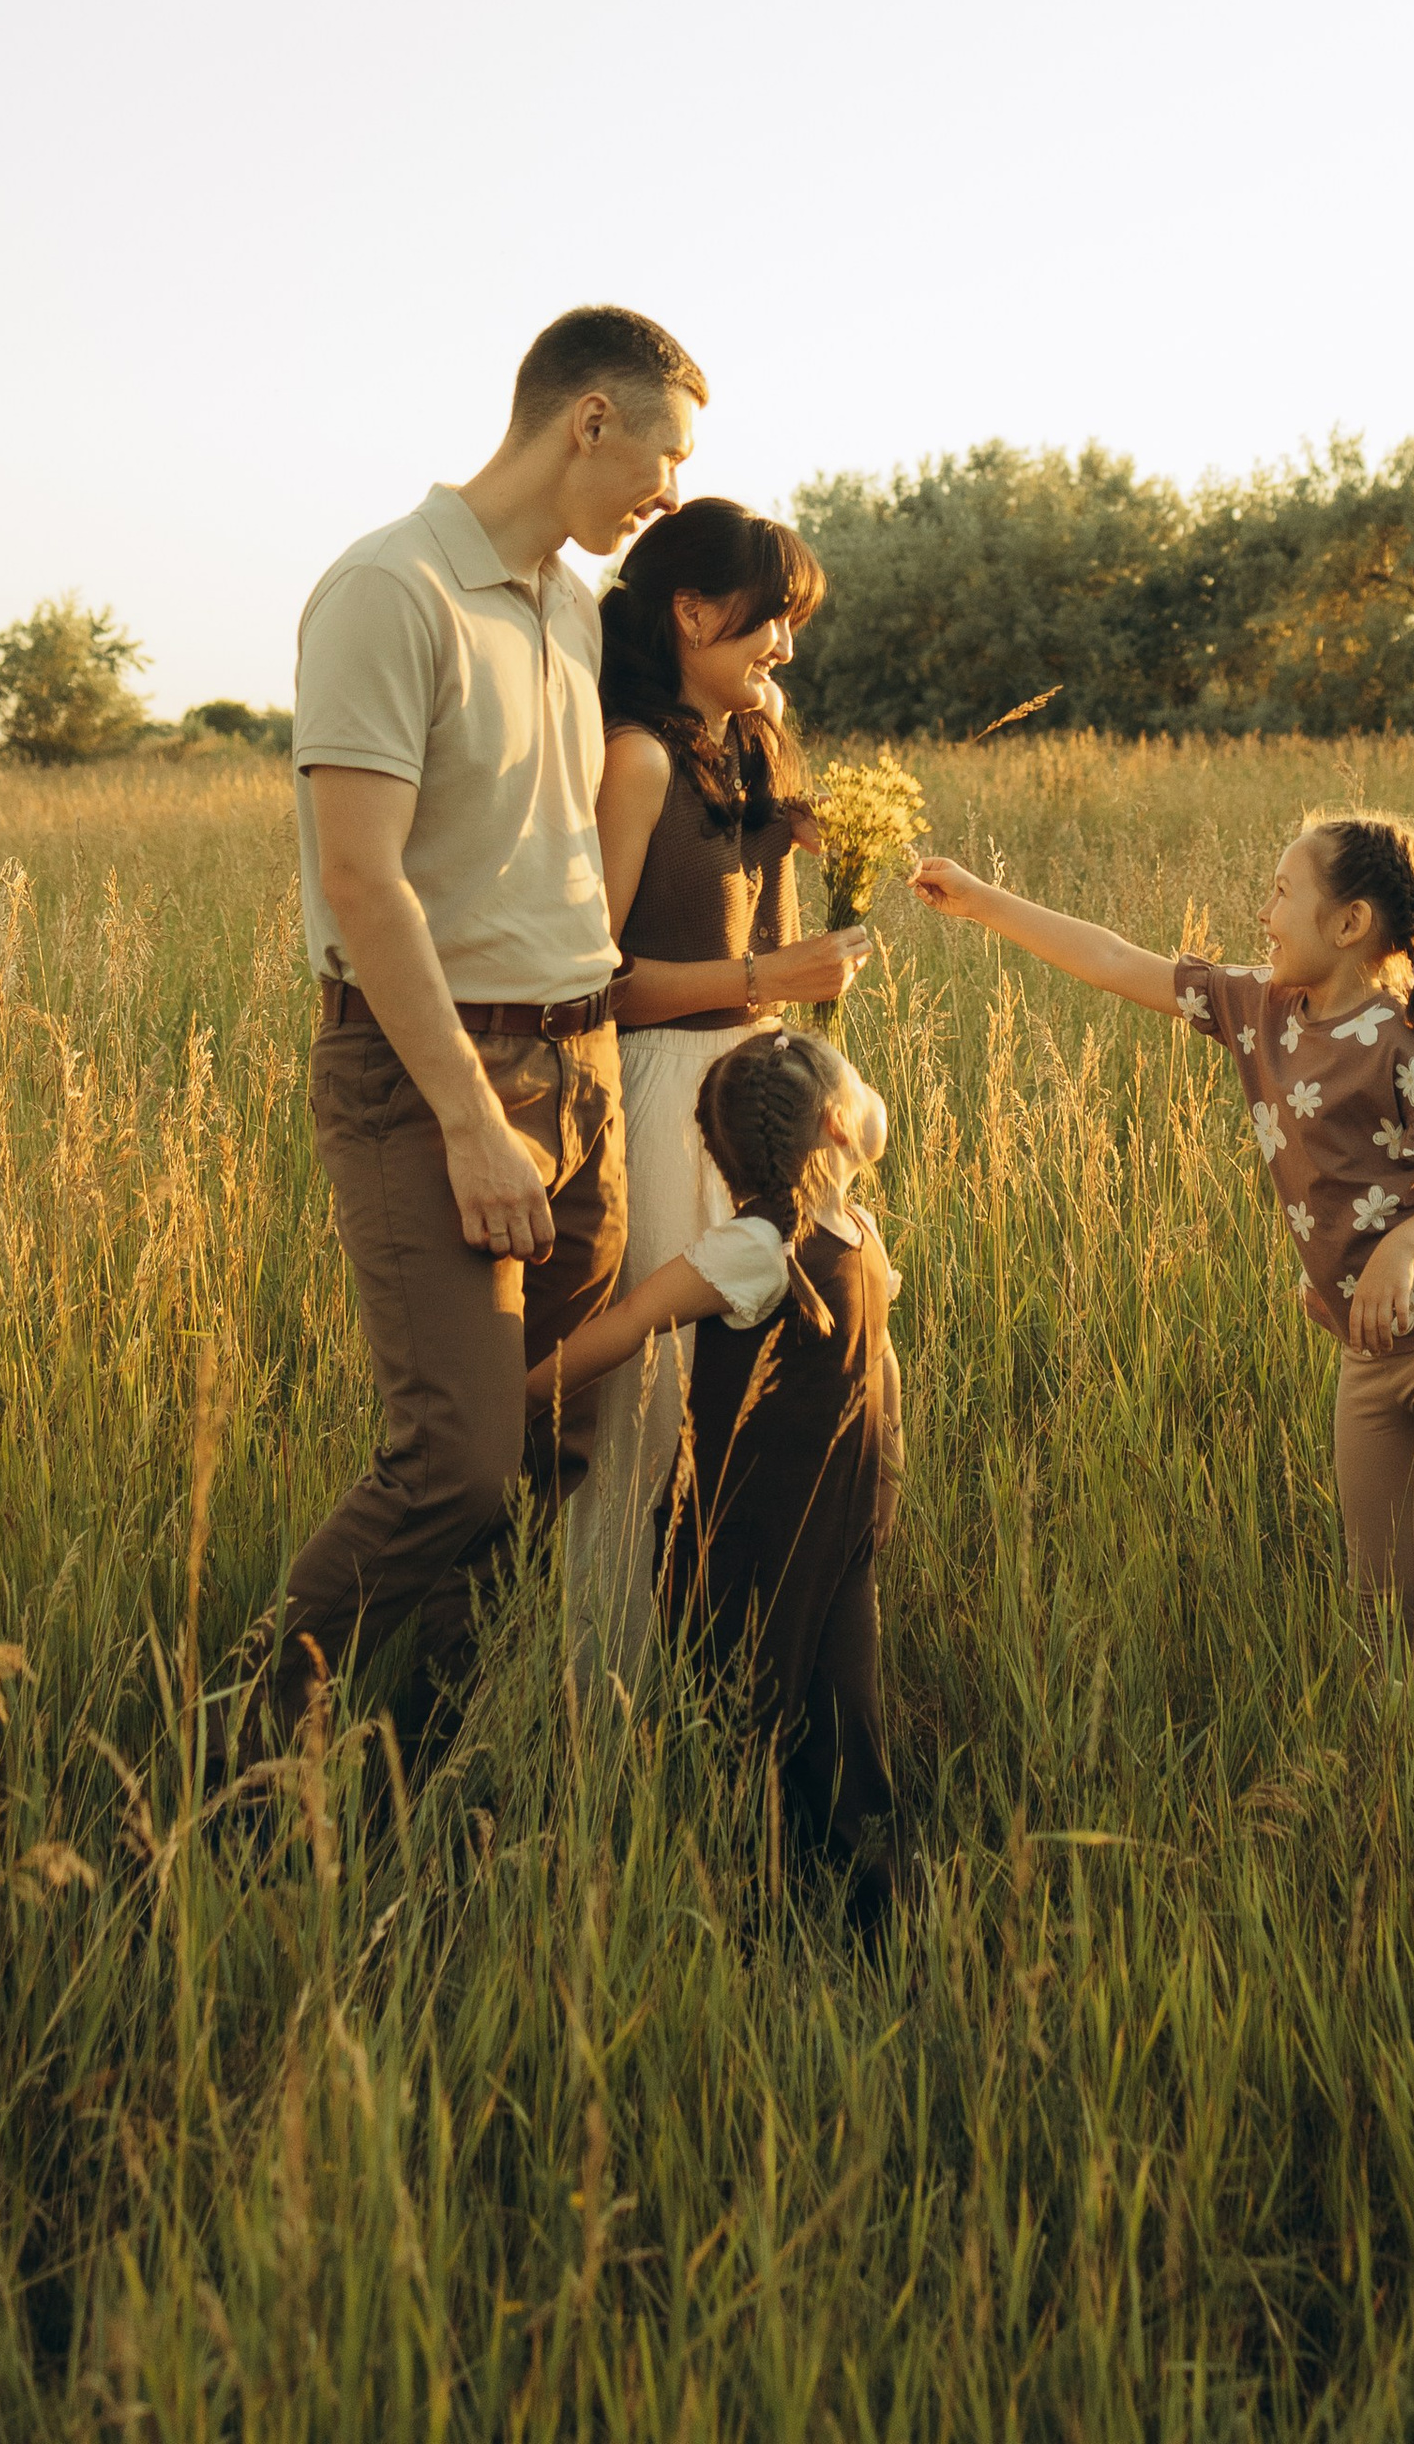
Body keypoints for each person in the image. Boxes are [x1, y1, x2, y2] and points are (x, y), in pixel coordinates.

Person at [266, 303, 705, 1744]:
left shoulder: (568, 607)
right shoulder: (391, 591)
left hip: (576, 1055)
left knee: (557, 1435)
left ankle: (447, 1754)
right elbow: (357, 877)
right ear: (590, 416)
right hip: (435, 1068)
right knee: (454, 1459)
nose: (669, 495)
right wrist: (470, 1120)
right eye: (664, 455)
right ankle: (224, 1761)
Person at [911, 811, 1414, 1711]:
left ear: (1346, 924)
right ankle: (1394, 1772)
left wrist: (1396, 1249)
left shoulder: (1394, 1043)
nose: (1263, 910)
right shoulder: (1256, 1007)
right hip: (1366, 1352)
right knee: (1378, 1597)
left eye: (1281, 891)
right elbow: (1113, 959)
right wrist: (982, 900)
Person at [559, 499, 873, 1694]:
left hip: (758, 1099)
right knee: (652, 1411)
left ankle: (728, 1666)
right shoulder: (634, 755)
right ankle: (608, 1683)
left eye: (793, 624)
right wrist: (763, 978)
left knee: (749, 1405)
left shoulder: (745, 746)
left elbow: (773, 951)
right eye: (770, 621)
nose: (784, 647)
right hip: (663, 1094)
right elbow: (593, 979)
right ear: (691, 612)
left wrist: (793, 843)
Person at [528, 1026, 904, 1930]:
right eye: (853, 1081)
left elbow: (878, 1364)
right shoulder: (753, 1247)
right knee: (749, 1720)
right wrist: (523, 1393)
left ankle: (872, 1914)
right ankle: (739, 1911)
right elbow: (625, 1327)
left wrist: (885, 1471)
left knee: (846, 1711)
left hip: (837, 1524)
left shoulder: (852, 1227)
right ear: (832, 1124)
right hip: (747, 1540)